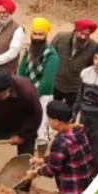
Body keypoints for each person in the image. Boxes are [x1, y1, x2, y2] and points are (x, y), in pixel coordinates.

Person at [26, 101, 95, 194]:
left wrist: (35, 173)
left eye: (50, 119)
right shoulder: (79, 132)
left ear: (56, 121)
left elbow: (52, 169)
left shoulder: (61, 141)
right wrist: (42, 160)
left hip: (71, 189)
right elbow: (65, 156)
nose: (49, 122)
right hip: (85, 184)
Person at [19, 17, 60, 147]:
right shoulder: (28, 50)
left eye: (40, 34)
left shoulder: (51, 54)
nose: (37, 37)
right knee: (26, 123)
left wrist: (34, 95)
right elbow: (22, 70)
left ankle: (40, 157)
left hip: (42, 96)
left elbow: (47, 81)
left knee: (41, 127)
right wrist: (21, 88)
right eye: (35, 34)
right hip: (27, 93)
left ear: (46, 35)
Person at [51, 20, 98, 106]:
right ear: (76, 30)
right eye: (81, 33)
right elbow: (50, 56)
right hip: (55, 83)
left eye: (87, 35)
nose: (83, 37)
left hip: (75, 88)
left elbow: (91, 68)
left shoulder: (93, 47)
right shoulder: (60, 38)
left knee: (70, 114)